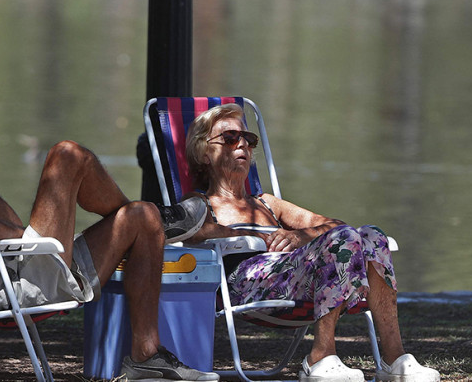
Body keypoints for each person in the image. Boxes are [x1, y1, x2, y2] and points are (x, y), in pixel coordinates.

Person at [0, 91, 219, 381]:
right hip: (5, 289)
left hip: (20, 271)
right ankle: (163, 221)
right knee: (66, 154)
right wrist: (30, 239)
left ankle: (146, 355)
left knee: (141, 218)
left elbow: (6, 220)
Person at [182, 103, 440, 382]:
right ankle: (321, 356)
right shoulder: (199, 204)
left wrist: (297, 236)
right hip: (246, 284)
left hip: (295, 276)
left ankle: (393, 359)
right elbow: (190, 233)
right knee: (342, 240)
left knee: (372, 236)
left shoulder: (266, 203)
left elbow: (337, 225)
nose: (242, 144)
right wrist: (251, 237)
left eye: (249, 139)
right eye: (231, 138)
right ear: (204, 152)